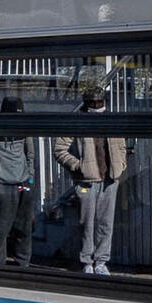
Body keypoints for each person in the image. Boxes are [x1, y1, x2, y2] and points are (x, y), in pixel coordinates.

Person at [53, 91, 128, 275]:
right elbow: (59, 150)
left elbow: (121, 146)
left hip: (110, 179)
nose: (97, 105)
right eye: (93, 102)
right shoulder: (77, 121)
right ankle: (86, 261)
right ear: (86, 104)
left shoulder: (112, 120)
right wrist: (79, 166)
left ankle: (102, 261)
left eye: (100, 101)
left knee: (106, 223)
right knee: (86, 223)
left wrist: (121, 165)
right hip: (86, 181)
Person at [0, 95, 35, 265]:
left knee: (24, 227)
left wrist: (30, 179)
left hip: (24, 184)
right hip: (2, 185)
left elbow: (30, 156)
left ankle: (23, 264)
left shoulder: (25, 131)